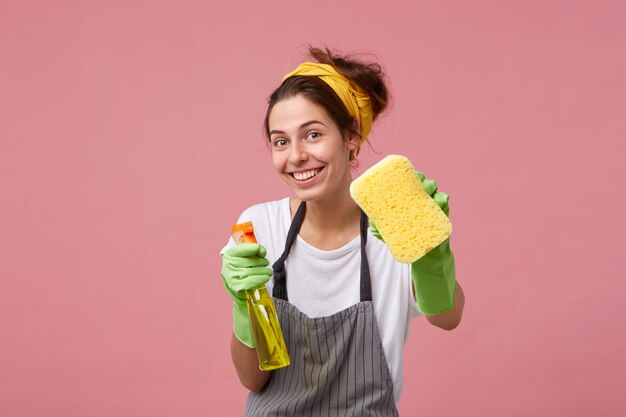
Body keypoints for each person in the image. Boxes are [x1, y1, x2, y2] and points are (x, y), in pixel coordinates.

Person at [220, 46, 465, 416]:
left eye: (313, 134)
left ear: (350, 137)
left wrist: (431, 253)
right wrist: (245, 308)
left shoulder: (393, 227)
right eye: (281, 141)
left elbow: (447, 318)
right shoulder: (258, 228)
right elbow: (252, 380)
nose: (297, 155)